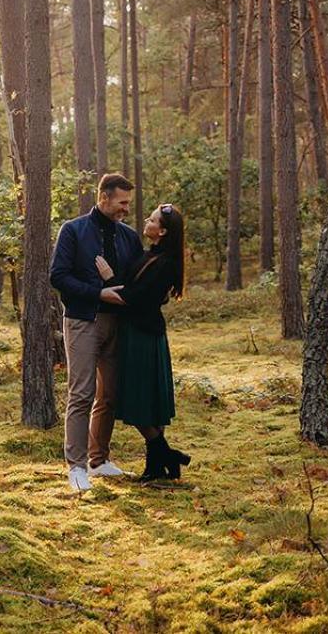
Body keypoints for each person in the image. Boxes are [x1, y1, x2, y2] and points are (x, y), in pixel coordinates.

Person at [50, 173, 144, 492]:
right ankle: (75, 467)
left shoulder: (129, 237)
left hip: (119, 324)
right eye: (122, 202)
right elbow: (58, 276)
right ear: (103, 198)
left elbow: (137, 279)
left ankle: (99, 460)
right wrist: (97, 291)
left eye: (128, 203)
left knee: (110, 394)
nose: (125, 209)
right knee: (82, 392)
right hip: (83, 321)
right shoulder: (73, 231)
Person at [102, 202, 190, 481]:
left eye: (151, 221)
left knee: (139, 400)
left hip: (143, 335)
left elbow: (134, 297)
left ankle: (163, 453)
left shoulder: (165, 264)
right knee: (149, 400)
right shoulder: (151, 256)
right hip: (140, 332)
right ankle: (157, 467)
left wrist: (108, 279)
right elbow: (134, 288)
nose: (146, 223)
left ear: (161, 231)